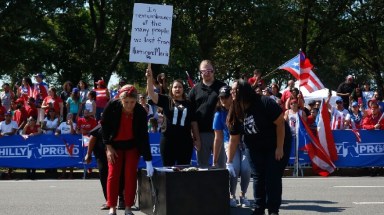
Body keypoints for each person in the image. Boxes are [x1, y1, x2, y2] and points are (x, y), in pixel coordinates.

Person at [226, 80, 291, 215]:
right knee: (258, 176)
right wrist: (229, 161)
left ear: (244, 91)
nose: (232, 92)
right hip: (254, 146)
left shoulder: (264, 102)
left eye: (235, 89)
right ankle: (259, 208)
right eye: (231, 90)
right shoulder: (236, 109)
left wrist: (279, 148)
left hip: (276, 142)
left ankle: (273, 210)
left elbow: (280, 124)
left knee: (272, 176)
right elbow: (234, 139)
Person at [101, 84, 154, 215]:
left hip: (132, 146)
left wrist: (148, 160)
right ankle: (112, 206)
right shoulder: (112, 106)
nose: (129, 105)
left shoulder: (141, 112)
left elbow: (143, 137)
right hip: (114, 146)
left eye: (132, 102)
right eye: (126, 102)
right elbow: (104, 126)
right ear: (120, 99)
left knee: (130, 175)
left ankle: (128, 207)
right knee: (113, 175)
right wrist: (108, 147)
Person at [146, 68, 200, 166]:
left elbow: (193, 123)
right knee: (168, 171)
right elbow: (151, 94)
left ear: (183, 89)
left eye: (180, 87)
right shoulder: (166, 100)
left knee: (184, 170)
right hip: (168, 141)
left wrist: (197, 139)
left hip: (185, 142)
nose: (177, 89)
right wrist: (149, 79)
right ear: (171, 89)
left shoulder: (190, 104)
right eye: (175, 87)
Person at [212, 85, 251, 208]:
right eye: (221, 97)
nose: (223, 100)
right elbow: (218, 138)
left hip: (245, 143)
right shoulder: (218, 114)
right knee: (234, 168)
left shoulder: (241, 109)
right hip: (229, 143)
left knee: (246, 169)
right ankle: (231, 195)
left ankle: (243, 194)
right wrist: (215, 160)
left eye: (226, 97)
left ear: (232, 96)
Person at [188, 60, 226, 168]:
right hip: (201, 134)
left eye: (210, 70)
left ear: (214, 71)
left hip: (219, 133)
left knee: (220, 167)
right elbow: (190, 114)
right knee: (202, 168)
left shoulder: (222, 87)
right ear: (200, 72)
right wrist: (195, 137)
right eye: (204, 70)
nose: (207, 72)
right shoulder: (194, 90)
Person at [85, 124, 125, 211]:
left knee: (121, 175)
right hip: (101, 154)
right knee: (104, 175)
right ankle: (109, 201)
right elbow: (92, 137)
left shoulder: (121, 125)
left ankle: (122, 200)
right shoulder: (101, 126)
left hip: (116, 152)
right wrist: (88, 154)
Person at [55, 113, 77, 179]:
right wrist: (57, 133)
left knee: (70, 158)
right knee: (64, 158)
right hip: (63, 143)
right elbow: (57, 131)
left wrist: (71, 125)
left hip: (70, 143)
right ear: (66, 117)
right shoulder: (62, 124)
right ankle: (63, 174)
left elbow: (72, 133)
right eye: (68, 116)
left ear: (72, 117)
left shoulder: (74, 124)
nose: (69, 117)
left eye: (71, 116)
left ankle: (71, 175)